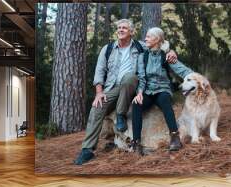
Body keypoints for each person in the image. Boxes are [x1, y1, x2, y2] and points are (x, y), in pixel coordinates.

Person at [74, 19, 178, 165]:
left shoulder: (140, 46)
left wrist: (171, 51)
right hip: (112, 87)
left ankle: (121, 114)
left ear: (131, 32)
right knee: (97, 107)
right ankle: (87, 150)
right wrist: (99, 92)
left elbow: (159, 46)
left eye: (124, 28)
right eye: (119, 28)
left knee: (129, 77)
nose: (120, 30)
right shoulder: (108, 49)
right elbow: (99, 72)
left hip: (132, 86)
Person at [131, 27, 194, 155]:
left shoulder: (166, 56)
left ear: (157, 39)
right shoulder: (143, 56)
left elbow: (183, 70)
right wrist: (139, 93)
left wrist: (196, 78)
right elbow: (142, 78)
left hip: (162, 89)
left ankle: (175, 138)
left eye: (148, 36)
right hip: (147, 91)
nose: (145, 39)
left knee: (165, 99)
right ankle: (136, 143)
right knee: (136, 104)